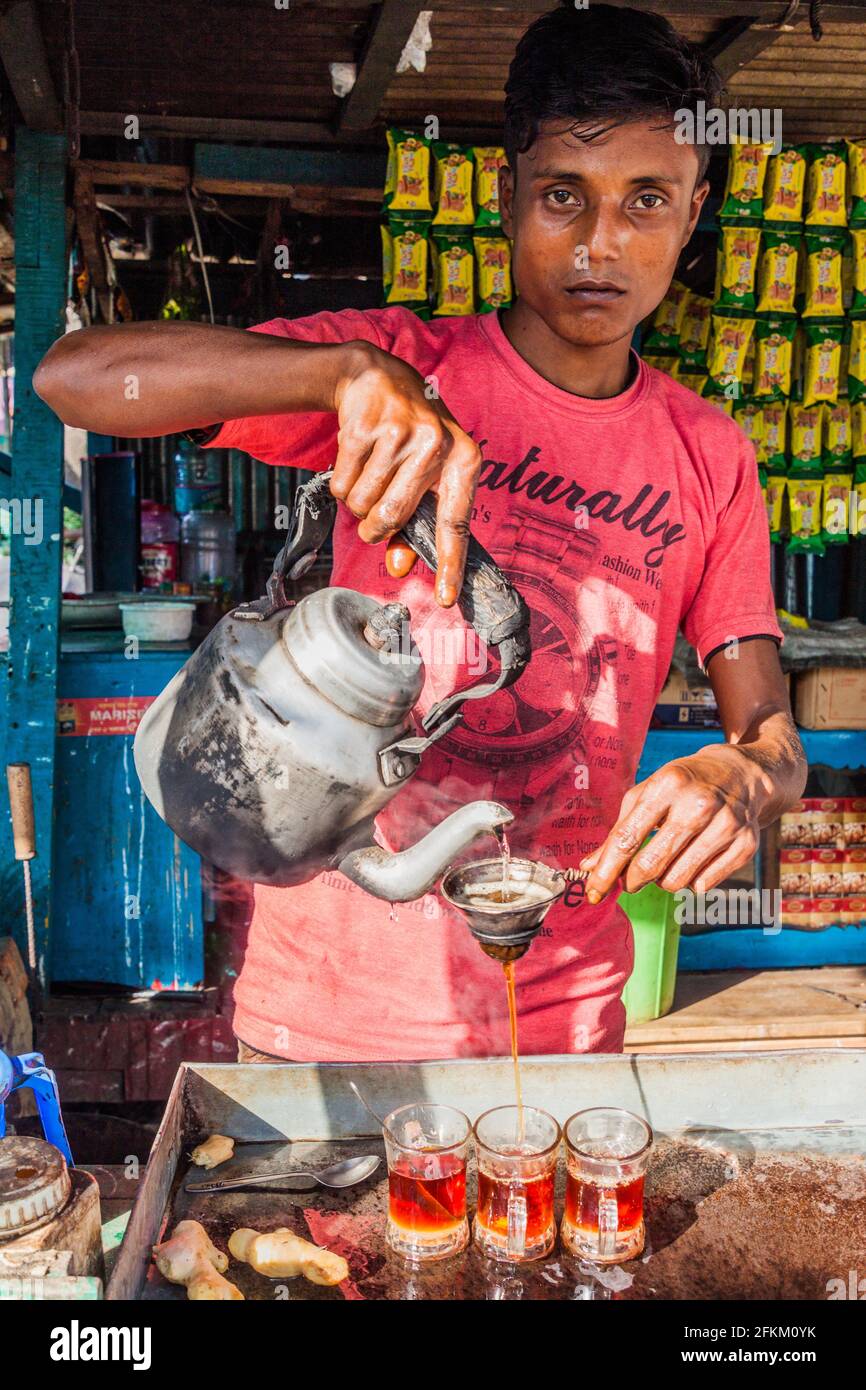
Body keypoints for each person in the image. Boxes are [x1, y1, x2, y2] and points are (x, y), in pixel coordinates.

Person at [35, 3, 806, 1063]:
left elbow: (768, 730)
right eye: (561, 197)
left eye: (645, 201)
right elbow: (73, 379)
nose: (599, 244)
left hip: (561, 1017)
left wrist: (743, 775)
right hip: (329, 1007)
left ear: (692, 211)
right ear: (505, 198)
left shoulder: (708, 455)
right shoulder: (400, 370)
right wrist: (336, 372)